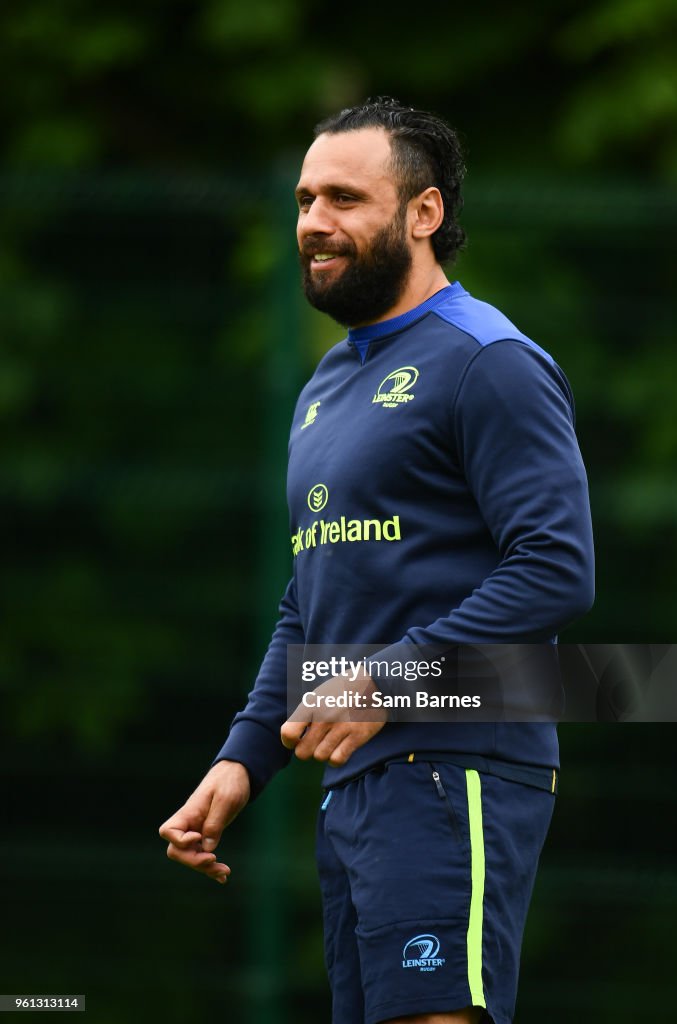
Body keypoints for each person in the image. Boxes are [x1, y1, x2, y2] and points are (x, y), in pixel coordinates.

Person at [159, 97, 595, 1024]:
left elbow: (556, 568)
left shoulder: (489, 361)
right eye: (306, 198)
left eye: (346, 199)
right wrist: (243, 760)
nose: (314, 223)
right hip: (354, 786)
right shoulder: (327, 382)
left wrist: (385, 681)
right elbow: (310, 595)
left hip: (455, 765)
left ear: (423, 213)